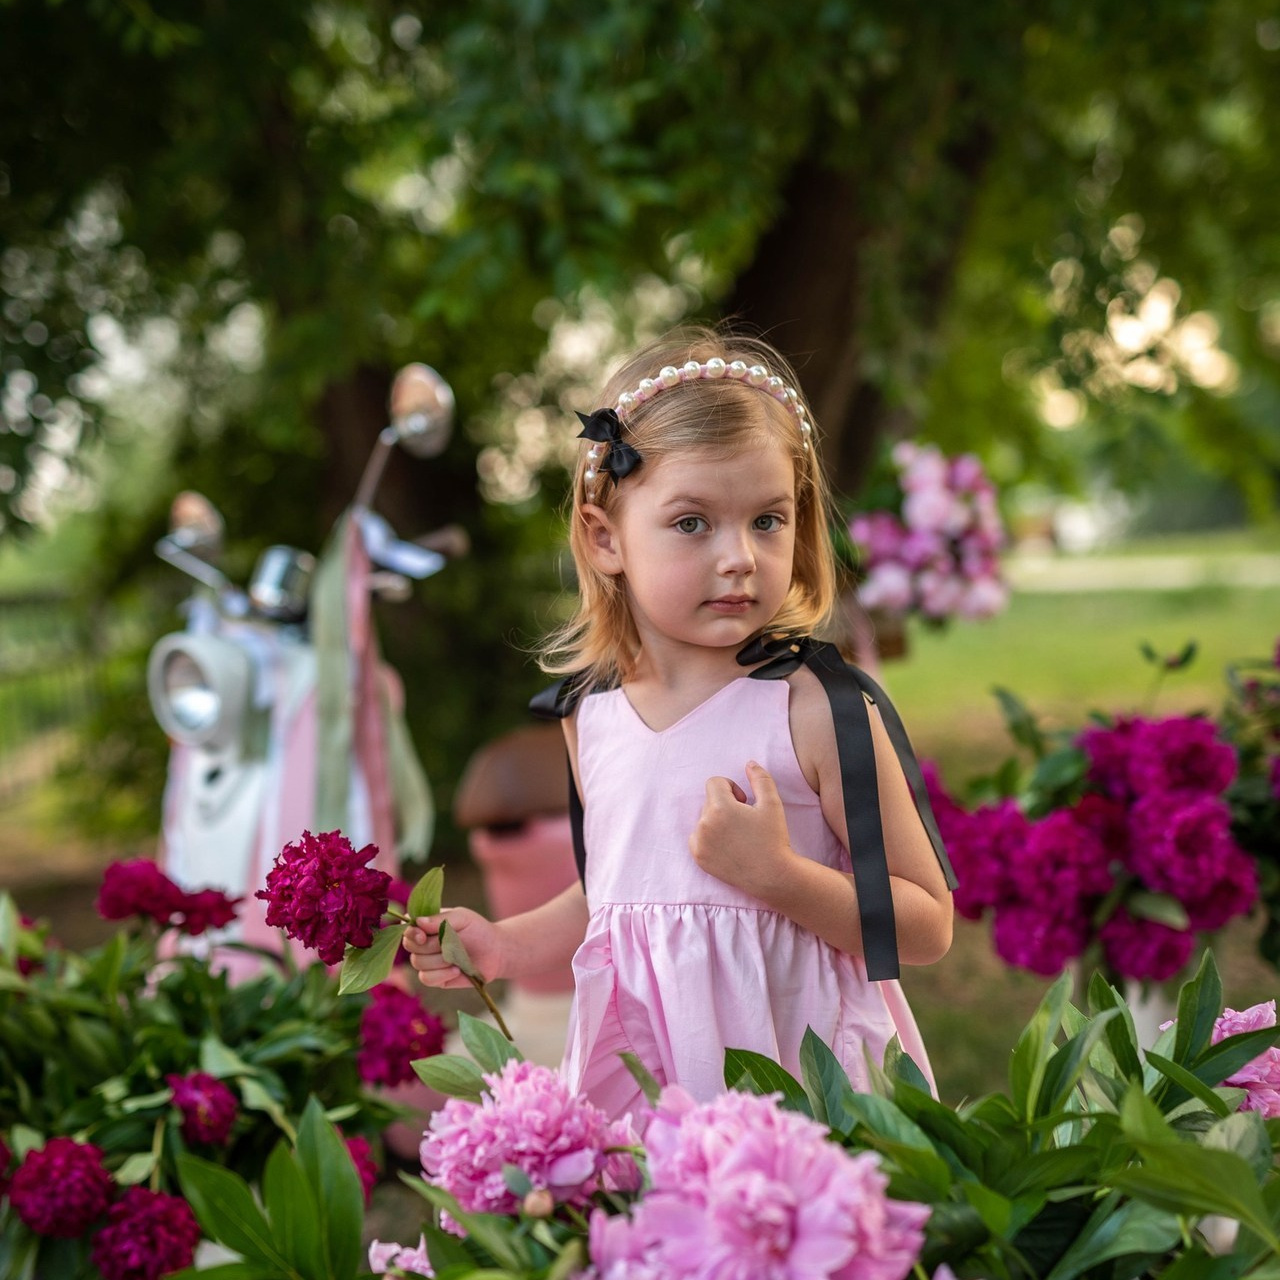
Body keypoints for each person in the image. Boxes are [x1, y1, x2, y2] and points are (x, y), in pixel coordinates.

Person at [404, 325, 955, 1118]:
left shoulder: (817, 710)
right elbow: (619, 894)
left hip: (799, 1085)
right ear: (604, 537)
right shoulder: (590, 717)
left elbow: (926, 927)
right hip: (652, 1087)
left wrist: (779, 877)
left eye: (767, 520)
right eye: (693, 523)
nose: (739, 557)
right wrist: (505, 944)